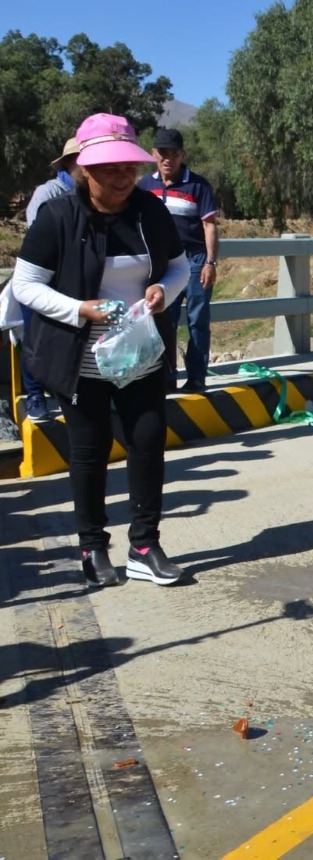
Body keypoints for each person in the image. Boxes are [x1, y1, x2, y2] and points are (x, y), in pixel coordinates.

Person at [12, 114, 189, 587]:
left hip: (142, 355)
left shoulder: (151, 212)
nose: (121, 175)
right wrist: (79, 309)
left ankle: (145, 546)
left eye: (127, 165)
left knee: (148, 444)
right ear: (84, 169)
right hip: (80, 360)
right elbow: (26, 287)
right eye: (108, 166)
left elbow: (179, 268)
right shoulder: (58, 217)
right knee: (88, 453)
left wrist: (161, 294)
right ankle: (93, 549)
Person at [138, 128, 219, 393]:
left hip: (195, 261)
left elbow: (209, 225)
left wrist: (210, 263)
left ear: (182, 154)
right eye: (162, 153)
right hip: (161, 266)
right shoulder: (144, 187)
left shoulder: (198, 185)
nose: (167, 159)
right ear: (153, 154)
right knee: (164, 321)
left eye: (174, 154)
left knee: (197, 320)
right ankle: (165, 378)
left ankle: (196, 378)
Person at [18, 137, 81, 422]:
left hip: (73, 279)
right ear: (70, 163)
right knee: (35, 338)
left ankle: (64, 391)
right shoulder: (48, 193)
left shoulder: (88, 196)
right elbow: (38, 239)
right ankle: (34, 397)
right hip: (45, 277)